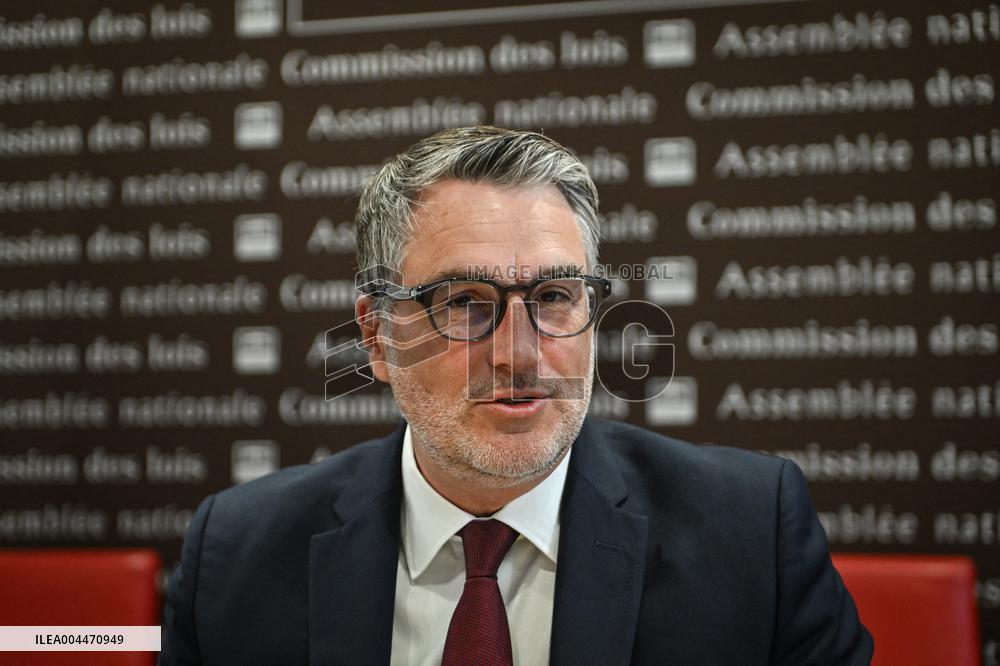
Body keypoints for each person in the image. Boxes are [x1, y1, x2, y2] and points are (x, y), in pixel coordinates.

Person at [159, 126, 873, 665]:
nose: (519, 353)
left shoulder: (751, 537)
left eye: (556, 296)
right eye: (465, 302)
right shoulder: (240, 554)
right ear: (377, 338)